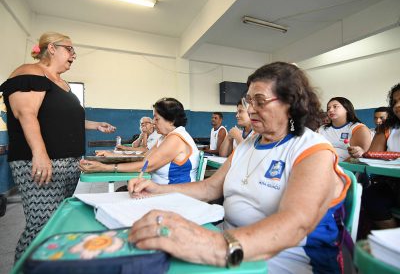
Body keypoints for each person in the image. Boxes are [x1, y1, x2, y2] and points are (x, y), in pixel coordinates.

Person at [127, 62, 350, 274]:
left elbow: (295, 224)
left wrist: (212, 244)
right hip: (234, 242)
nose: (250, 109)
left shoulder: (313, 149)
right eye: (248, 101)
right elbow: (210, 188)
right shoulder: (250, 144)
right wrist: (157, 188)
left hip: (286, 260)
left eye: (260, 101)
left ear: (290, 104)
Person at [0, 32, 116, 261]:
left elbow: (61, 119)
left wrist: (95, 125)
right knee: (41, 225)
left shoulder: (62, 85)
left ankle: (49, 265)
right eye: (70, 49)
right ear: (51, 48)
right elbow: (26, 114)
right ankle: (26, 267)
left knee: (57, 221)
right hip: (41, 163)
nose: (74, 55)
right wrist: (40, 154)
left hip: (68, 165)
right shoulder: (30, 72)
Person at [80, 98, 199, 185]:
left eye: (156, 118)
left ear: (171, 121)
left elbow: (147, 166)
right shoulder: (165, 137)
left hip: (175, 197)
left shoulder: (176, 138)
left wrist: (104, 167)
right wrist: (113, 155)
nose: (153, 122)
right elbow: (144, 156)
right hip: (160, 192)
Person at [362, 84, 400, 229]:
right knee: (371, 196)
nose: (397, 105)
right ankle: (393, 242)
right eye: (394, 102)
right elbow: (372, 156)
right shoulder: (388, 128)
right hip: (393, 183)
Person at [318, 97, 371, 161]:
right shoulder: (322, 129)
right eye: (328, 108)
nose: (330, 110)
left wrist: (335, 167)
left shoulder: (358, 129)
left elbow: (359, 157)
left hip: (346, 168)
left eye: (335, 106)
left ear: (347, 109)